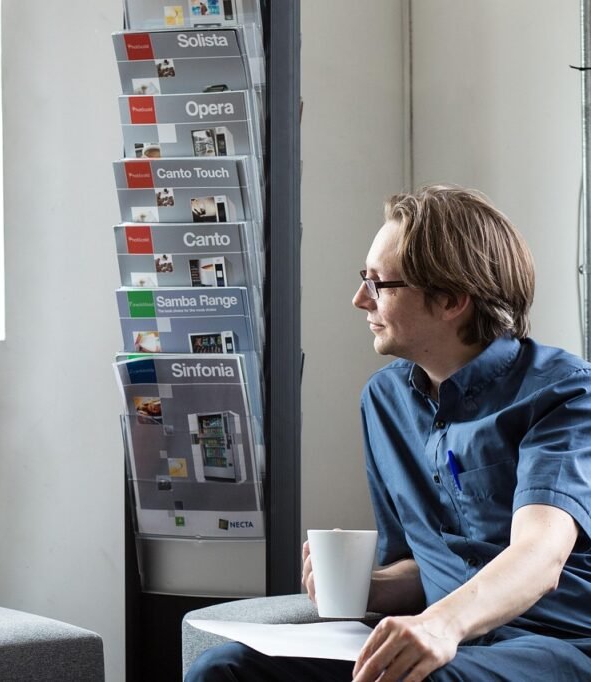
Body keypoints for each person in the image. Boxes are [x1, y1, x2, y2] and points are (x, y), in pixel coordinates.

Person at [186, 185, 591, 680]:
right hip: (445, 643)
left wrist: (440, 625)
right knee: (224, 669)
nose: (360, 299)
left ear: (451, 300)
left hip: (553, 644)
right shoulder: (384, 401)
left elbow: (540, 554)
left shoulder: (565, 393)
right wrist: (367, 586)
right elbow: (420, 563)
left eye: (378, 283)